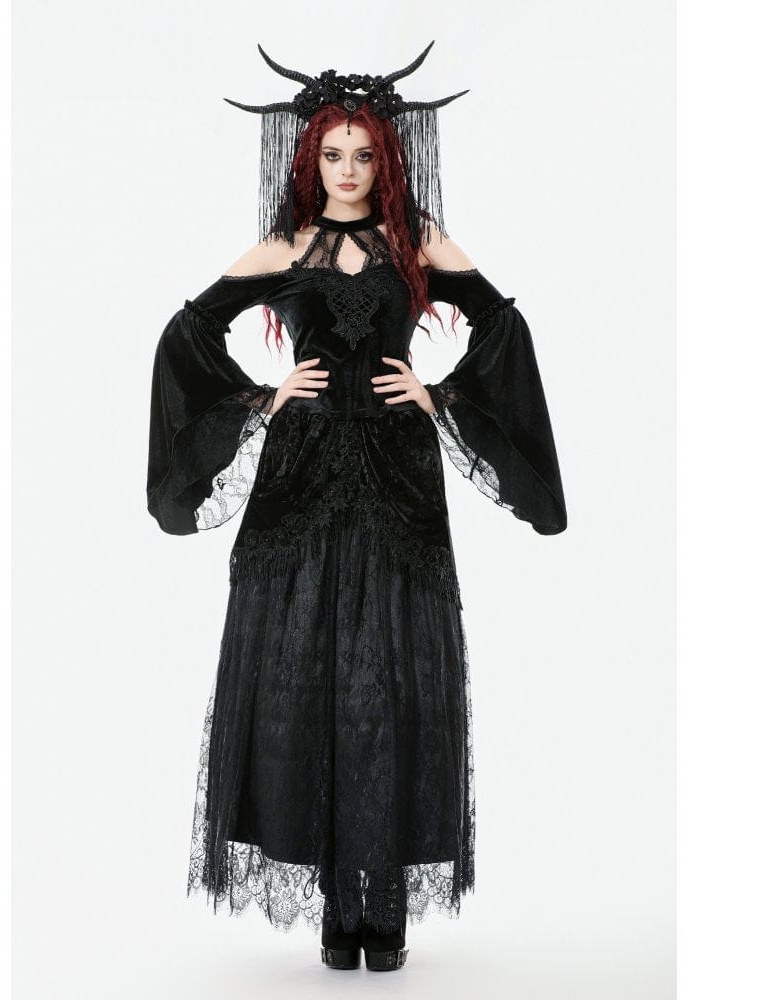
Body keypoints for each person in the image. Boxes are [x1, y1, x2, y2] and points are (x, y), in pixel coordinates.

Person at [146, 42, 567, 973]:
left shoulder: (419, 243)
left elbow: (502, 324)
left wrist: (439, 395)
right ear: (311, 158)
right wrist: (262, 398)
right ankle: (340, 911)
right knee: (303, 672)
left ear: (387, 158)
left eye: (364, 155)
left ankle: (386, 910)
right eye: (333, 155)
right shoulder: (286, 246)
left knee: (392, 676)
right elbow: (188, 332)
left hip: (396, 473)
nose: (348, 170)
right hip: (299, 476)